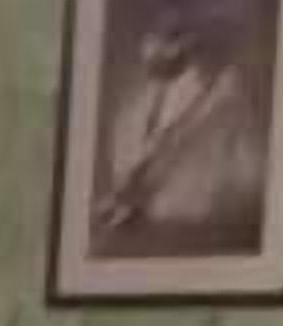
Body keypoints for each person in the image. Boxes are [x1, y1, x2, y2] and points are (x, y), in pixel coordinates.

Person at [95, 0, 272, 258]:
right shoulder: (137, 104)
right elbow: (126, 168)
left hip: (201, 241)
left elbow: (250, 184)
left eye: (173, 36)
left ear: (195, 40)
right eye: (154, 35)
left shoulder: (231, 103)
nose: (153, 47)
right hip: (141, 242)